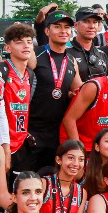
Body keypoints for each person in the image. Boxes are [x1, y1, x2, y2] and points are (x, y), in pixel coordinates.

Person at [21, 10, 82, 174]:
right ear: (47, 31)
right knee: (27, 179)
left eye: (67, 27)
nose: (63, 31)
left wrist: (72, 95)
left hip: (57, 134)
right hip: (32, 131)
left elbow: (78, 92)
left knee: (52, 180)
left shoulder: (71, 61)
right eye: (57, 26)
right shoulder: (35, 54)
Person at [0, 23, 37, 172]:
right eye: (19, 42)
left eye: (29, 42)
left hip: (21, 142)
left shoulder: (30, 75)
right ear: (8, 48)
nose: (25, 46)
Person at [68, 7, 108, 80]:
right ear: (76, 25)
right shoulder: (66, 52)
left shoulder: (101, 54)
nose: (92, 26)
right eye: (86, 21)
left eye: (95, 22)